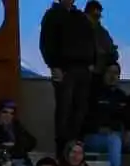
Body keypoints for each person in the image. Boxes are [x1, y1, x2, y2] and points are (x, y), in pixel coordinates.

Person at [40, 0, 97, 150]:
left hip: (83, 69)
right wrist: (53, 65)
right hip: (65, 69)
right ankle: (62, 148)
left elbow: (91, 39)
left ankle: (75, 146)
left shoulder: (80, 17)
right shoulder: (52, 15)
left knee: (80, 110)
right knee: (64, 109)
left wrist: (92, 62)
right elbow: (46, 42)